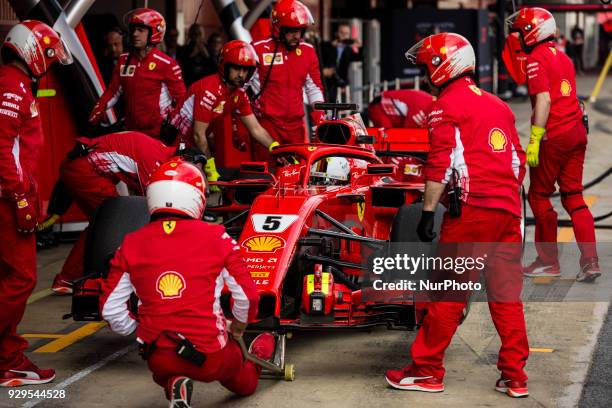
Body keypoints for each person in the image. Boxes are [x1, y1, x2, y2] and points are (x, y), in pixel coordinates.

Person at [385, 33, 529, 398]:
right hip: (509, 211)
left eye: (425, 67)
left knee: (448, 293)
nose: (422, 75)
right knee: (506, 297)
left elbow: (441, 163)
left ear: (440, 66)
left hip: (473, 214)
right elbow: (517, 161)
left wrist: (428, 212)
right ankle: (515, 378)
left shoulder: (445, 106)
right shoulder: (500, 105)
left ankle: (426, 371)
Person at [100, 160, 275, 407]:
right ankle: (257, 358)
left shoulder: (130, 243)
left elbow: (110, 309)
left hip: (158, 354)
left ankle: (174, 383)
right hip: (209, 353)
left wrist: (139, 330)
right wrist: (237, 327)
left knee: (165, 368)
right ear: (197, 197)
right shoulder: (218, 237)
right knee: (244, 381)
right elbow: (248, 297)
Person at [0, 20, 72, 387]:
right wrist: (20, 197)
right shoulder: (12, 86)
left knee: (9, 279)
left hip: (11, 196)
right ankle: (6, 358)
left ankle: (8, 355)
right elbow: (2, 150)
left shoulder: (13, 83)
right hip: (8, 201)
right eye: (47, 55)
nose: (49, 62)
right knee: (21, 279)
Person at [507, 8, 599, 282]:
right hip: (576, 133)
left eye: (522, 31)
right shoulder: (564, 57)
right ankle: (591, 261)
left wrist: (534, 139)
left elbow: (544, 101)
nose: (519, 37)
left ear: (532, 32)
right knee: (573, 196)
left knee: (538, 196)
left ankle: (548, 262)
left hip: (554, 136)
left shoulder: (536, 59)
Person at [51, 131, 203, 294]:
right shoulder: (156, 161)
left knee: (103, 223)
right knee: (112, 222)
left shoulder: (162, 153)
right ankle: (76, 278)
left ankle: (71, 277)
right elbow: (156, 210)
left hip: (84, 166)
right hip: (83, 169)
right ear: (183, 161)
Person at [170, 40, 276, 190]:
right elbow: (199, 135)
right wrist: (210, 170)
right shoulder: (209, 89)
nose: (241, 74)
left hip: (195, 148)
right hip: (176, 145)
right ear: (225, 66)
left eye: (246, 70)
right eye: (237, 68)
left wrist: (277, 149)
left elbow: (256, 129)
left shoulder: (239, 94)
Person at [89, 8, 186, 140]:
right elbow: (112, 92)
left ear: (154, 33)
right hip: (131, 132)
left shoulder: (168, 64)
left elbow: (182, 103)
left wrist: (177, 133)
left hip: (157, 135)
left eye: (140, 30)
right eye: (133, 29)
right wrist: (96, 112)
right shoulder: (123, 60)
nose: (134, 34)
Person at [248, 0, 325, 160]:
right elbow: (240, 88)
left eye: (300, 31)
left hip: (296, 128)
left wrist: (319, 120)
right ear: (278, 28)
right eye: (291, 31)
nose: (296, 36)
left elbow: (314, 89)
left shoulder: (308, 51)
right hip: (266, 127)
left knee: (298, 175)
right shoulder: (257, 49)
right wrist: (240, 127)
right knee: (265, 178)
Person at [321, 23, 363, 102]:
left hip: (341, 83)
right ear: (336, 33)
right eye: (342, 33)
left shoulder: (348, 49)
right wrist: (332, 45)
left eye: (346, 33)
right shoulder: (328, 45)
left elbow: (359, 58)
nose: (344, 35)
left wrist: (360, 47)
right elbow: (321, 51)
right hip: (327, 82)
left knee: (341, 106)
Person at [367, 89, 434, 128]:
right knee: (386, 140)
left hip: (380, 104)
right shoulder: (422, 109)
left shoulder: (428, 99)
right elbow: (409, 133)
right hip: (378, 109)